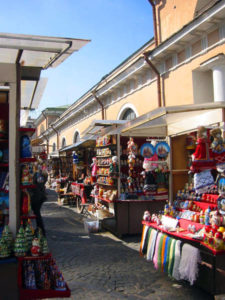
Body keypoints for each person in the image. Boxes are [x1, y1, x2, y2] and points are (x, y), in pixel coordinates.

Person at [30, 164, 48, 236]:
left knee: (37, 213)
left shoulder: (38, 175)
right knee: (36, 213)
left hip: (37, 196)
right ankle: (40, 229)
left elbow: (39, 185)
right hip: (38, 196)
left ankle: (41, 230)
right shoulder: (38, 174)